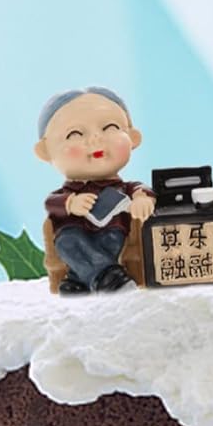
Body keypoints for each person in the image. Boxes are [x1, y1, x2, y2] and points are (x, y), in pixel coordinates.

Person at [34, 86, 154, 294]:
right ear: (45, 151)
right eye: (75, 134)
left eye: (109, 127)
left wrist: (142, 199)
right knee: (67, 242)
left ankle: (79, 279)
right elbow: (51, 203)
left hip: (114, 230)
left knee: (112, 240)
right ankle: (109, 279)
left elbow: (140, 190)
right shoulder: (66, 193)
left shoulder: (123, 188)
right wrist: (71, 203)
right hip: (73, 232)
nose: (95, 139)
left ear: (133, 137)